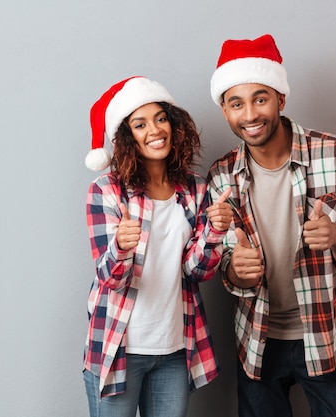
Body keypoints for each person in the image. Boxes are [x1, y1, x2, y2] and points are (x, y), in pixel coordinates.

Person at [206, 34, 336, 417]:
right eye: (237, 103)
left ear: (281, 99)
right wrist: (238, 270)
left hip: (327, 333)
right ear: (225, 111)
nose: (249, 114)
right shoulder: (221, 176)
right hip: (257, 340)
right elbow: (228, 271)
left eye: (260, 99)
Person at [82, 76, 233, 417]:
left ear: (174, 124)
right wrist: (121, 245)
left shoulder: (194, 188)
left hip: (175, 348)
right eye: (140, 124)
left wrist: (214, 231)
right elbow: (110, 278)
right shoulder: (106, 191)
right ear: (127, 137)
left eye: (160, 118)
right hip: (119, 345)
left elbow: (196, 271)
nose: (154, 130)